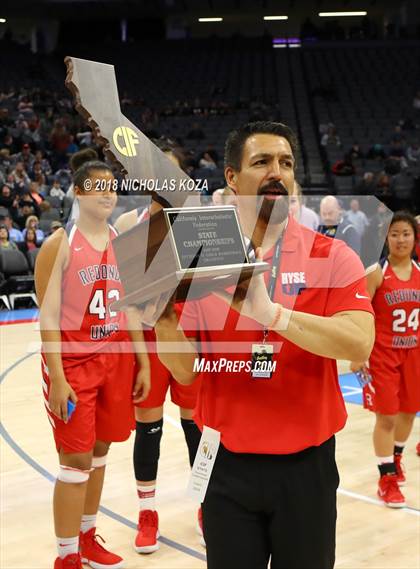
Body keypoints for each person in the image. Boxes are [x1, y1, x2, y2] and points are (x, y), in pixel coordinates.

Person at [138, 121, 375, 569]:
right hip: (225, 465)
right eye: (262, 161)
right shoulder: (197, 256)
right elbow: (186, 371)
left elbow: (360, 343)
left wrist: (273, 315)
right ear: (232, 178)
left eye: (286, 163)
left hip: (306, 468)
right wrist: (164, 320)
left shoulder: (333, 255)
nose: (277, 172)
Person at [34, 159, 151, 569]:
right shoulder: (59, 244)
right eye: (97, 186)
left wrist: (144, 363)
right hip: (74, 363)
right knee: (75, 461)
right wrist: (60, 379)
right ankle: (66, 556)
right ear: (78, 193)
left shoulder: (122, 241)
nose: (107, 193)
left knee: (100, 453)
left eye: (111, 186)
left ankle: (87, 536)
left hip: (115, 359)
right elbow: (47, 318)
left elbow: (131, 307)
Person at [115, 140, 203, 553]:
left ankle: (205, 504)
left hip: (188, 337)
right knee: (148, 430)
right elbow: (128, 301)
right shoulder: (132, 223)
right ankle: (147, 512)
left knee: (195, 428)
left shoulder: (201, 223)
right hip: (149, 340)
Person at [351, 212, 419, 507]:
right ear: (386, 237)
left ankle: (397, 457)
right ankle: (386, 478)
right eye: (395, 234)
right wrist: (358, 353)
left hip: (414, 353)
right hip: (383, 355)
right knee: (387, 415)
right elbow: (361, 315)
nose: (401, 239)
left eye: (406, 233)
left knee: (408, 412)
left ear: (415, 238)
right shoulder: (376, 273)